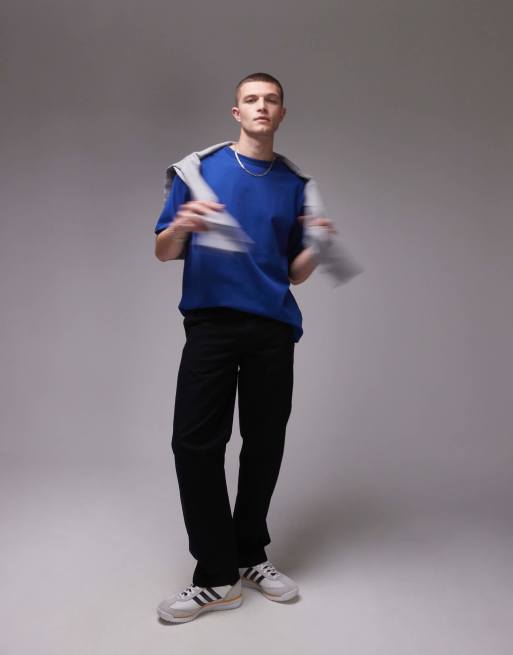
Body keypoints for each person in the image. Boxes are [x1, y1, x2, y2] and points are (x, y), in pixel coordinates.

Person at [154, 72, 335, 624]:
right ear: (236, 112)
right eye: (251, 99)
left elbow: (295, 274)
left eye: (270, 100)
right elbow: (163, 250)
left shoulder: (296, 185)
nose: (261, 106)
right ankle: (216, 575)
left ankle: (250, 553)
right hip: (211, 325)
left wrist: (318, 246)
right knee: (194, 444)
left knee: (264, 444)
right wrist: (183, 223)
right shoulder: (199, 171)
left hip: (272, 329)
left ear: (282, 113)